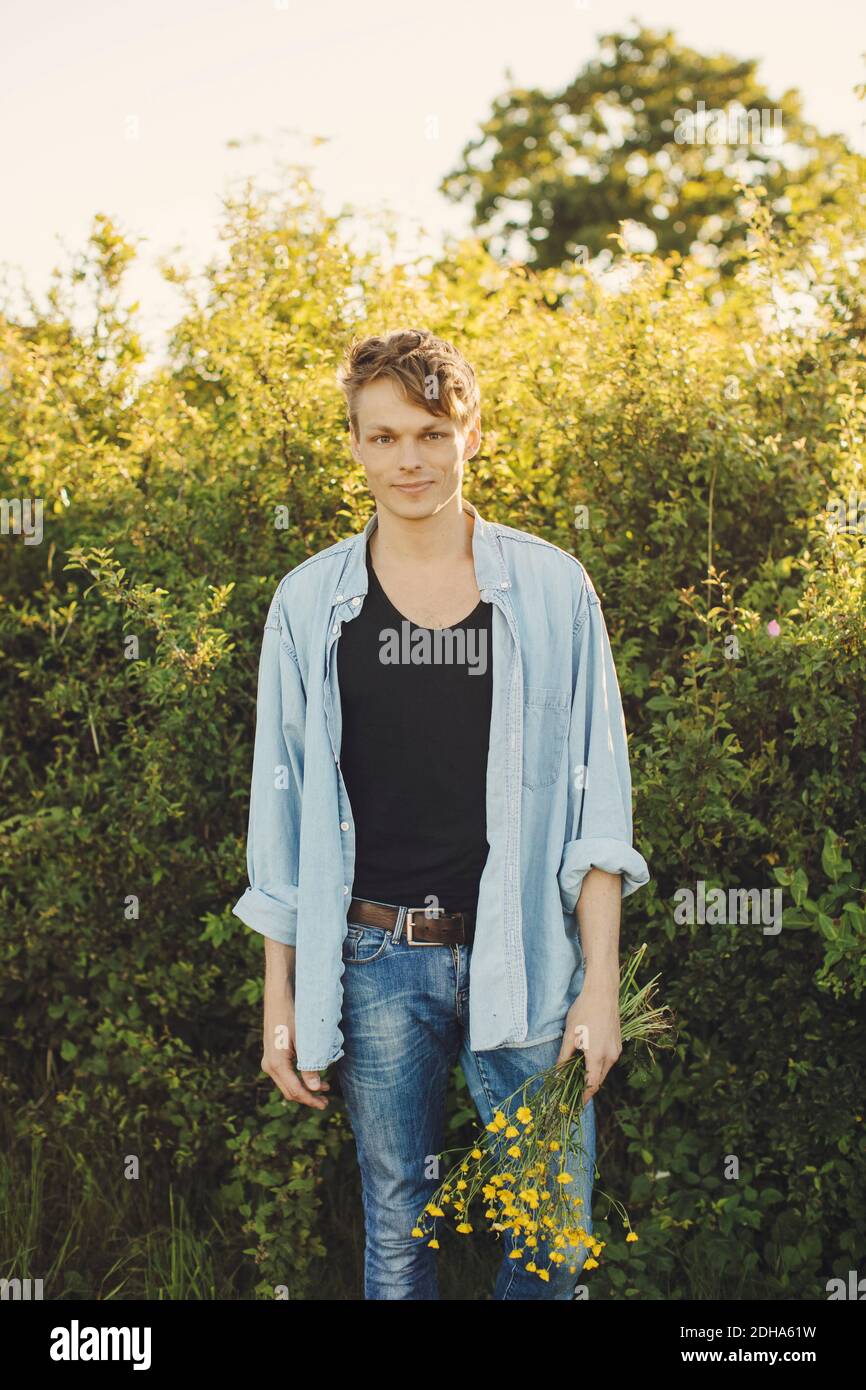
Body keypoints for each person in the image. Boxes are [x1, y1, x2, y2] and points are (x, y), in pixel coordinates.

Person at [233, 328, 650, 1300]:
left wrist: (598, 988)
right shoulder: (307, 606)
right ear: (353, 446)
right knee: (397, 1233)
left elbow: (598, 803)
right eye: (381, 438)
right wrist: (279, 1003)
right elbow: (280, 823)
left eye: (427, 431)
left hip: (528, 957)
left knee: (549, 1233)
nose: (407, 459)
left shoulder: (550, 591)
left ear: (470, 432)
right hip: (376, 958)